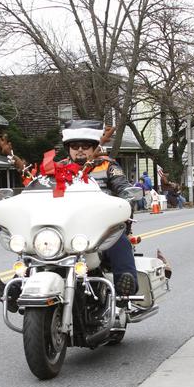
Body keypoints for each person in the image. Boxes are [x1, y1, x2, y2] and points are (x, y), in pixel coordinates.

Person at [62, 119, 138, 296]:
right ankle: (18, 288)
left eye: (85, 145)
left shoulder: (108, 165)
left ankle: (125, 286)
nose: (80, 149)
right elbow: (42, 190)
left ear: (95, 146)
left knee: (120, 241)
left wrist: (127, 199)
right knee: (36, 246)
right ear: (68, 148)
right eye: (74, 145)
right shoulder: (59, 169)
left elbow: (124, 189)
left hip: (102, 228)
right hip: (67, 227)